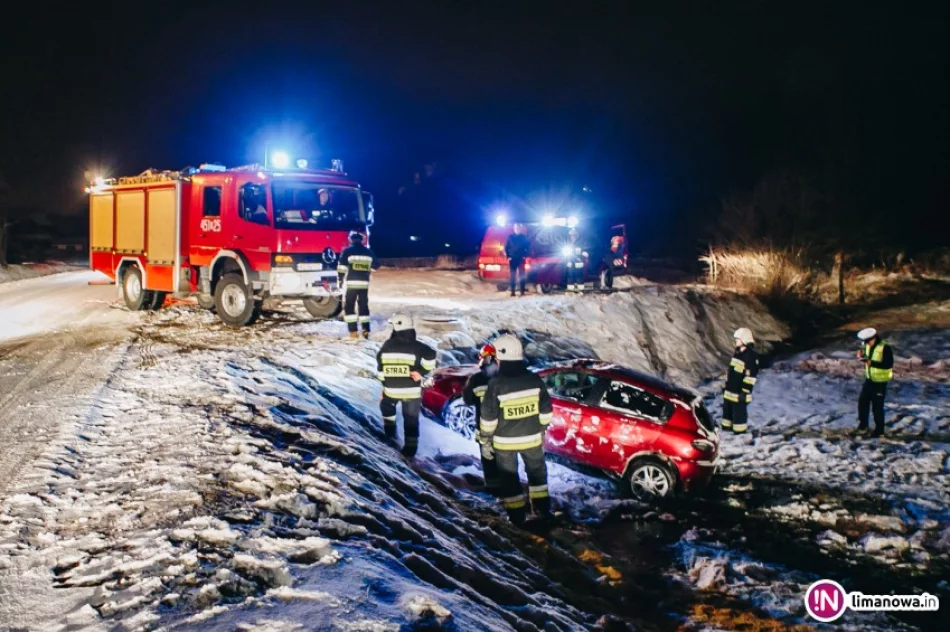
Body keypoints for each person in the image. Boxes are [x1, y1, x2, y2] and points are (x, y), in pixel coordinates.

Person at [479, 335, 553, 526]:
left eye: (495, 357)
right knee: (538, 475)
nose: (494, 360)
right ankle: (542, 510)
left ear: (502, 356)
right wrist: (541, 429)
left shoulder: (496, 384)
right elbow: (546, 411)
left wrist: (486, 439)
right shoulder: (535, 379)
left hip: (505, 443)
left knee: (509, 480)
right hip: (532, 439)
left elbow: (488, 418)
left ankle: (517, 518)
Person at [377, 313, 438, 457]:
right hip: (412, 392)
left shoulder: (386, 346)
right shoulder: (417, 346)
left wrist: (384, 387)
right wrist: (421, 372)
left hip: (391, 390)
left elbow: (380, 370)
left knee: (386, 406)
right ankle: (410, 450)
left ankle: (390, 435)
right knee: (411, 419)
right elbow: (431, 355)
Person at [462, 343, 501, 494]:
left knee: (488, 460)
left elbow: (468, 400)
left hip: (485, 429)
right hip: (506, 429)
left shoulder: (476, 379)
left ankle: (493, 490)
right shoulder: (508, 378)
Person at [338, 230, 378, 339]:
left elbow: (342, 267)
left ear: (351, 240)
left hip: (351, 284)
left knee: (349, 307)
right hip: (364, 285)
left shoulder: (347, 251)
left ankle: (353, 332)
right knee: (363, 307)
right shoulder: (369, 252)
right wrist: (366, 268)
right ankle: (365, 330)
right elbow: (376, 265)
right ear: (362, 240)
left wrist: (340, 280)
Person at [854, 327, 893, 438]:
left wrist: (870, 362)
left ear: (873, 338)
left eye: (867, 342)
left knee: (877, 407)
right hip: (869, 379)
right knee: (862, 402)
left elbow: (888, 364)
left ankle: (879, 431)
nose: (866, 344)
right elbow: (868, 359)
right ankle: (863, 426)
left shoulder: (885, 347)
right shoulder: (867, 346)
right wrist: (862, 357)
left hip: (880, 381)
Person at [722, 327, 759, 434]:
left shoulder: (750, 356)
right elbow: (733, 373)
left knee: (739, 414)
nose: (736, 341)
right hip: (731, 391)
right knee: (727, 412)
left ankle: (740, 434)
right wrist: (727, 386)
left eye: (738, 339)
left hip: (740, 393)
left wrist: (745, 392)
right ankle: (726, 430)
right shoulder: (738, 353)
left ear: (744, 340)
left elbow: (750, 377)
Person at [504, 224, 531, 297]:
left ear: (520, 229)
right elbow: (506, 248)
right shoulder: (510, 237)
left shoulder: (523, 237)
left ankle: (522, 291)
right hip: (512, 259)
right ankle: (513, 292)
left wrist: (524, 256)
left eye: (518, 228)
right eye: (515, 228)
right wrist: (508, 256)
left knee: (522, 275)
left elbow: (528, 248)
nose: (517, 229)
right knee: (513, 276)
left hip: (521, 259)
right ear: (513, 228)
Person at [564, 228, 585, 293]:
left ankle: (580, 290)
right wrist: (567, 261)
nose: (572, 236)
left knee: (579, 276)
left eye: (574, 235)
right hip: (571, 262)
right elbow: (565, 254)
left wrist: (581, 258)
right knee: (570, 276)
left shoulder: (581, 243)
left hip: (579, 263)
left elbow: (585, 252)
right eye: (571, 235)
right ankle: (570, 290)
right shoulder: (568, 243)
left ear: (576, 235)